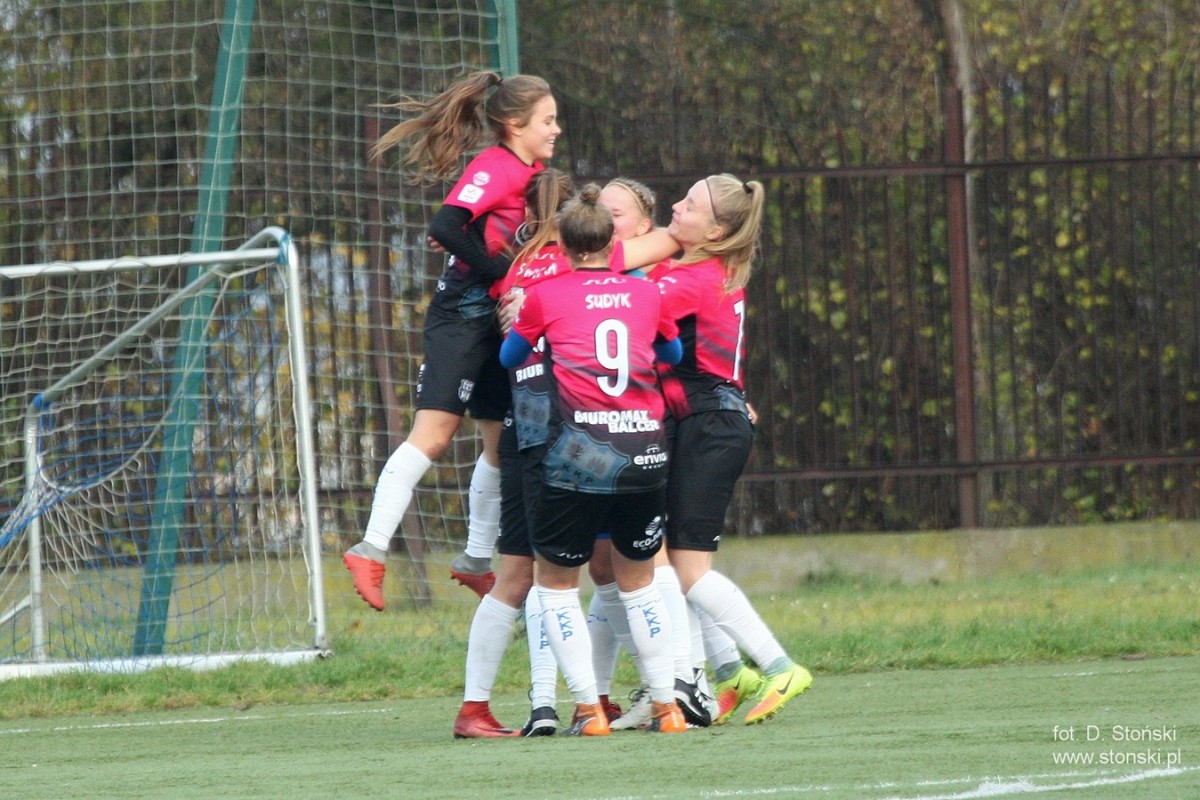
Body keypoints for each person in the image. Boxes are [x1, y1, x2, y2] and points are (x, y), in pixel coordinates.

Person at [343, 71, 560, 610]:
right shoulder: (496, 165)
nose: (556, 129)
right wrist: (498, 271)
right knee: (435, 435)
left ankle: (474, 560)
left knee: (499, 441)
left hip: (498, 319)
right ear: (516, 125)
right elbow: (445, 226)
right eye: (548, 120)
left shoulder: (535, 174)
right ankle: (369, 548)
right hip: (462, 313)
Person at [499, 184, 687, 736]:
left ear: (562, 246)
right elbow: (672, 352)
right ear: (612, 242)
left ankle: (587, 710)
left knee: (556, 583)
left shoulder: (546, 295)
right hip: (644, 449)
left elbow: (512, 354)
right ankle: (667, 706)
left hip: (579, 454)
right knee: (640, 582)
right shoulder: (646, 293)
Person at [654, 174, 814, 725]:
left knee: (689, 569)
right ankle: (729, 673)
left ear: (716, 231)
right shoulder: (704, 271)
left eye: (691, 205)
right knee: (674, 563)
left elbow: (628, 313)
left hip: (709, 425)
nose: (677, 207)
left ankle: (779, 666)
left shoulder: (691, 278)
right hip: (706, 419)